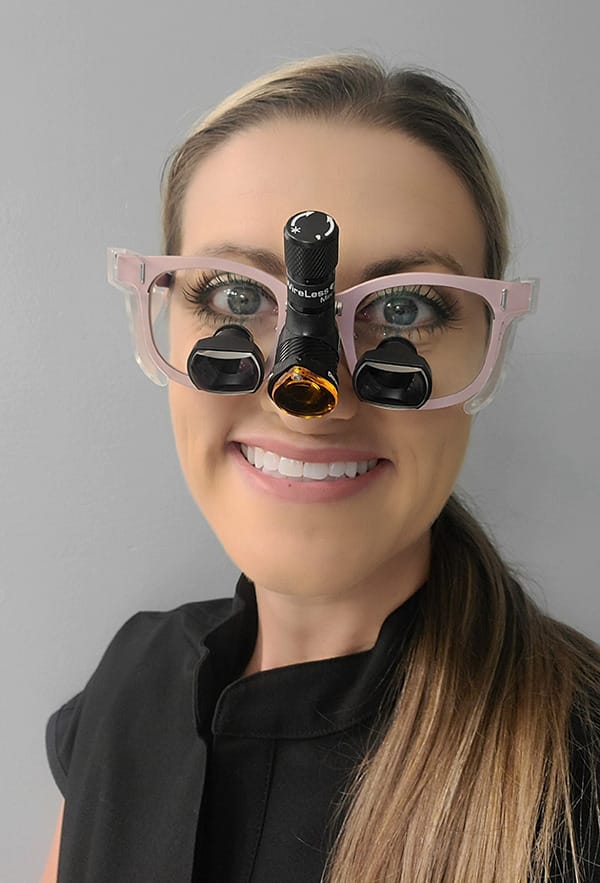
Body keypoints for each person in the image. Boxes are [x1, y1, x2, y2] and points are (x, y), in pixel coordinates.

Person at [41, 53, 600, 882]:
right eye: (235, 297)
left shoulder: (580, 782)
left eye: (402, 308)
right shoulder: (128, 687)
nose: (311, 398)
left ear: (492, 346)